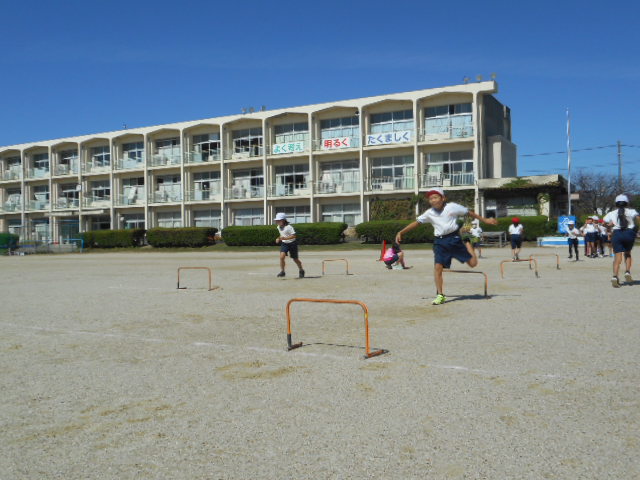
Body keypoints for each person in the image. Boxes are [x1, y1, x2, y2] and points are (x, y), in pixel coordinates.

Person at [394, 188, 498, 305]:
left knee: (473, 264)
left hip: (454, 240)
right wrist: (401, 232)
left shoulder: (452, 207)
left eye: (435, 197)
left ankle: (467, 242)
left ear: (443, 198)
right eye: (430, 199)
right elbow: (417, 223)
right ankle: (440, 295)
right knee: (438, 267)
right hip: (440, 242)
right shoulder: (429, 213)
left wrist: (485, 220)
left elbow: (469, 212)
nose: (433, 200)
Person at [603, 194, 640, 287]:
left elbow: (604, 223)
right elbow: (638, 218)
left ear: (616, 204)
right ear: (627, 203)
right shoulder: (631, 211)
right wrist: (638, 228)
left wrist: (609, 225)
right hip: (629, 233)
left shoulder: (611, 213)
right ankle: (627, 272)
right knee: (628, 254)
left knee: (617, 257)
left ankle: (615, 276)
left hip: (617, 234)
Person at [274, 212, 305, 278]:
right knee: (281, 257)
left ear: (283, 220)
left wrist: (285, 238)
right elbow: (282, 235)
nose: (277, 221)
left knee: (295, 259)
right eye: (277, 220)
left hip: (292, 244)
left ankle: (301, 270)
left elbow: (294, 236)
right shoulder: (278, 227)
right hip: (284, 243)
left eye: (279, 220)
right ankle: (282, 272)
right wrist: (278, 238)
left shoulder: (289, 227)